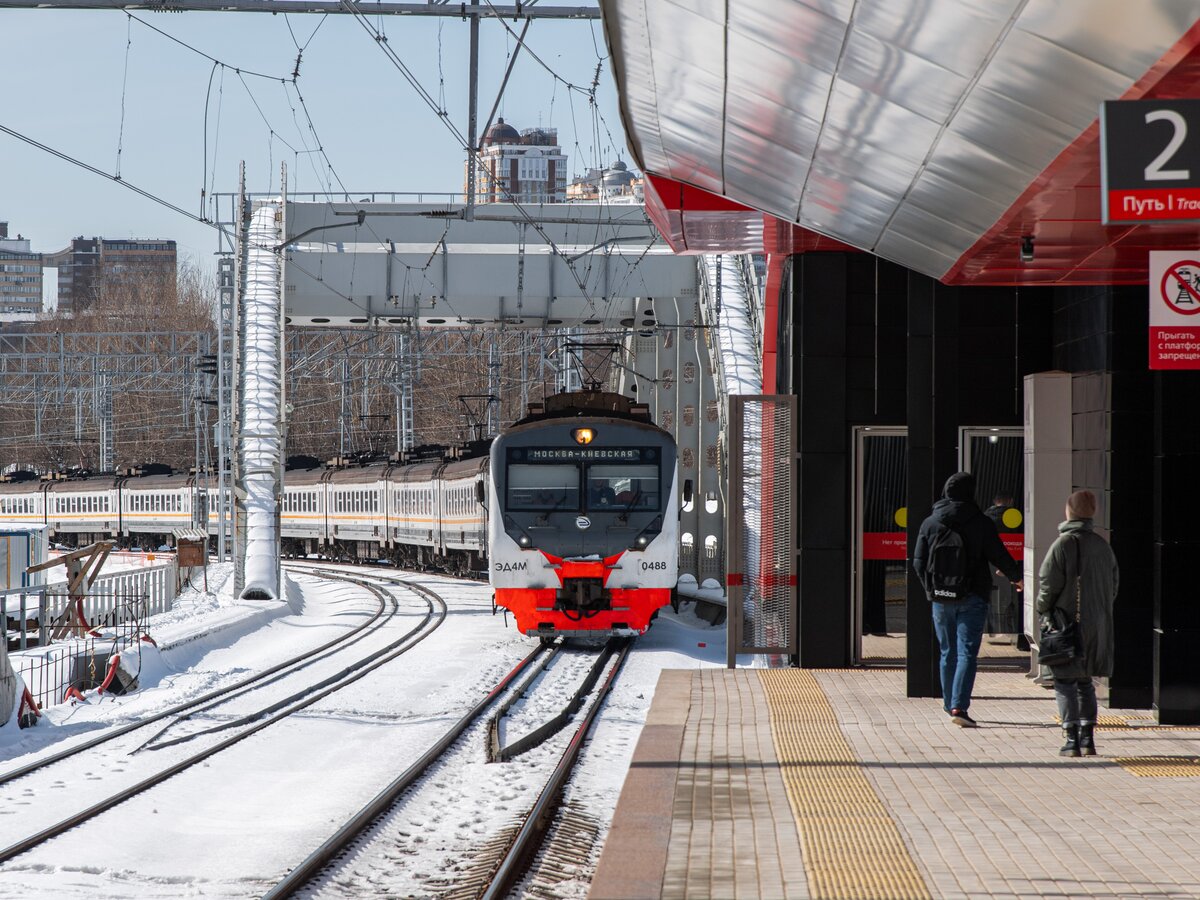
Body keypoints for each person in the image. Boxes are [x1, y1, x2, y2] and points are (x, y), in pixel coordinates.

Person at [913, 472, 1023, 727]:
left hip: (941, 598)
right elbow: (999, 554)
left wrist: (931, 589)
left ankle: (948, 703)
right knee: (967, 653)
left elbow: (918, 563)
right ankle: (958, 707)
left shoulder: (930, 522)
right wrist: (1016, 577)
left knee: (947, 651)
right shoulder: (981, 522)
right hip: (973, 596)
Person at [1035, 489, 1119, 757]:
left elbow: (1048, 584)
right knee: (1085, 682)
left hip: (1067, 625)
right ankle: (1087, 738)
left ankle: (1070, 738)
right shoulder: (1102, 545)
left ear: (1069, 512)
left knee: (1064, 682)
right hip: (1097, 625)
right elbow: (1113, 586)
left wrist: (1042, 609)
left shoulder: (1063, 544)